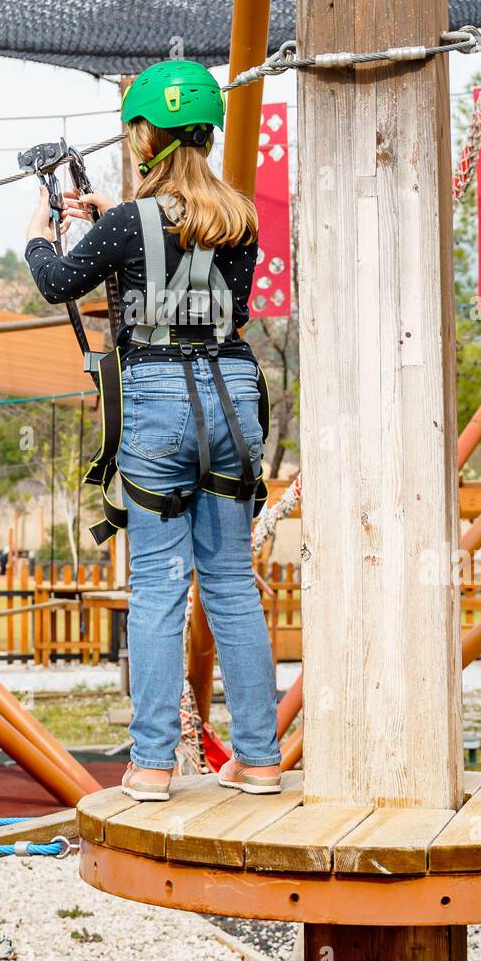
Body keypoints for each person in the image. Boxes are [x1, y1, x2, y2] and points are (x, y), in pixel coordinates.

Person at [24, 60, 280, 800]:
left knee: (161, 587)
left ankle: (152, 767)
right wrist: (119, 222)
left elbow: (57, 283)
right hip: (232, 392)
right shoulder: (239, 217)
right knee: (231, 583)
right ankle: (259, 759)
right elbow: (213, 289)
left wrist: (44, 234)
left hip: (159, 396)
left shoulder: (127, 224)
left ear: (144, 137)